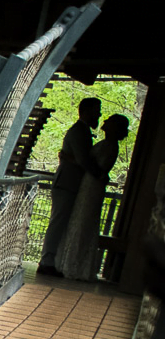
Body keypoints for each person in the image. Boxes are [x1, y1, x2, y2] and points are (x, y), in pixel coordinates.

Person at [56, 113, 130, 281]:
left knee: (83, 222)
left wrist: (69, 158)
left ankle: (74, 266)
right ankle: (73, 264)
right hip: (90, 185)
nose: (104, 121)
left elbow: (94, 166)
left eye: (109, 121)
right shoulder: (108, 144)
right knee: (81, 221)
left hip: (91, 186)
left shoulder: (109, 145)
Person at [38, 97, 102, 277]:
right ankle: (47, 261)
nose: (99, 114)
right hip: (66, 183)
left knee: (61, 222)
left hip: (70, 183)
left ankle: (53, 260)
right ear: (87, 111)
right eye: (97, 110)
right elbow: (83, 160)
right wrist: (98, 175)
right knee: (58, 222)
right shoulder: (79, 131)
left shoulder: (83, 131)